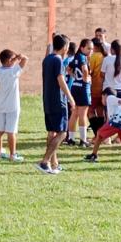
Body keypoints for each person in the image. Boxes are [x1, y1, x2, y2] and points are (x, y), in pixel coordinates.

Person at [37, 34, 74, 174]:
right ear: (64, 47)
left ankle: (54, 163)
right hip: (58, 101)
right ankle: (44, 161)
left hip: (48, 100)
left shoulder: (47, 59)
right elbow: (61, 81)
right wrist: (71, 98)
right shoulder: (58, 60)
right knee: (63, 133)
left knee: (52, 132)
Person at [0, 49, 28, 162]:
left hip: (0, 105)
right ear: (9, 60)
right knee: (11, 131)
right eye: (12, 59)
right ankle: (13, 154)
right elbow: (25, 59)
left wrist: (14, 58)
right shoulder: (13, 71)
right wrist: (19, 56)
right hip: (12, 105)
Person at [67, 38, 93, 147]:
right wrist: (85, 79)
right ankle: (83, 140)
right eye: (88, 48)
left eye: (91, 49)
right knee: (83, 114)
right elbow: (85, 70)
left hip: (75, 87)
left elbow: (68, 68)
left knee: (74, 113)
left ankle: (71, 139)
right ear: (82, 47)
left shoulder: (76, 57)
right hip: (82, 88)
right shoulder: (83, 58)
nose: (90, 51)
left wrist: (74, 77)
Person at [88, 38, 107, 136]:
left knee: (89, 111)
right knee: (100, 111)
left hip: (94, 87)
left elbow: (89, 71)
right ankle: (103, 135)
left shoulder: (94, 56)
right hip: (104, 87)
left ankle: (97, 134)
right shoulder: (105, 56)